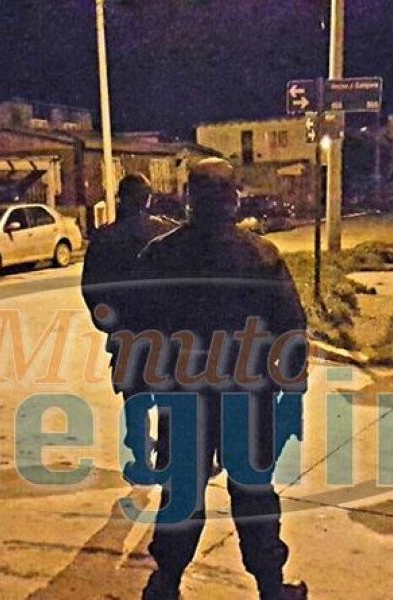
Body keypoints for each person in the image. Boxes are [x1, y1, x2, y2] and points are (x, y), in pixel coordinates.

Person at [124, 158, 308, 600]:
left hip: (182, 395)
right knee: (254, 493)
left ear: (189, 199)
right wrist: (289, 393)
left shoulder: (161, 255)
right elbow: (291, 330)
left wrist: (141, 394)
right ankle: (270, 586)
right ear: (234, 199)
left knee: (182, 492)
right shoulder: (260, 255)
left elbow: (136, 330)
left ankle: (166, 582)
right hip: (247, 396)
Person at [81, 173, 177, 467]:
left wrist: (109, 323)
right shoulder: (167, 233)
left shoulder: (103, 239)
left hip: (125, 333)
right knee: (168, 398)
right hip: (166, 333)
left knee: (134, 399)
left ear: (120, 199)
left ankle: (140, 454)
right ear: (148, 200)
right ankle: (166, 457)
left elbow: (91, 289)